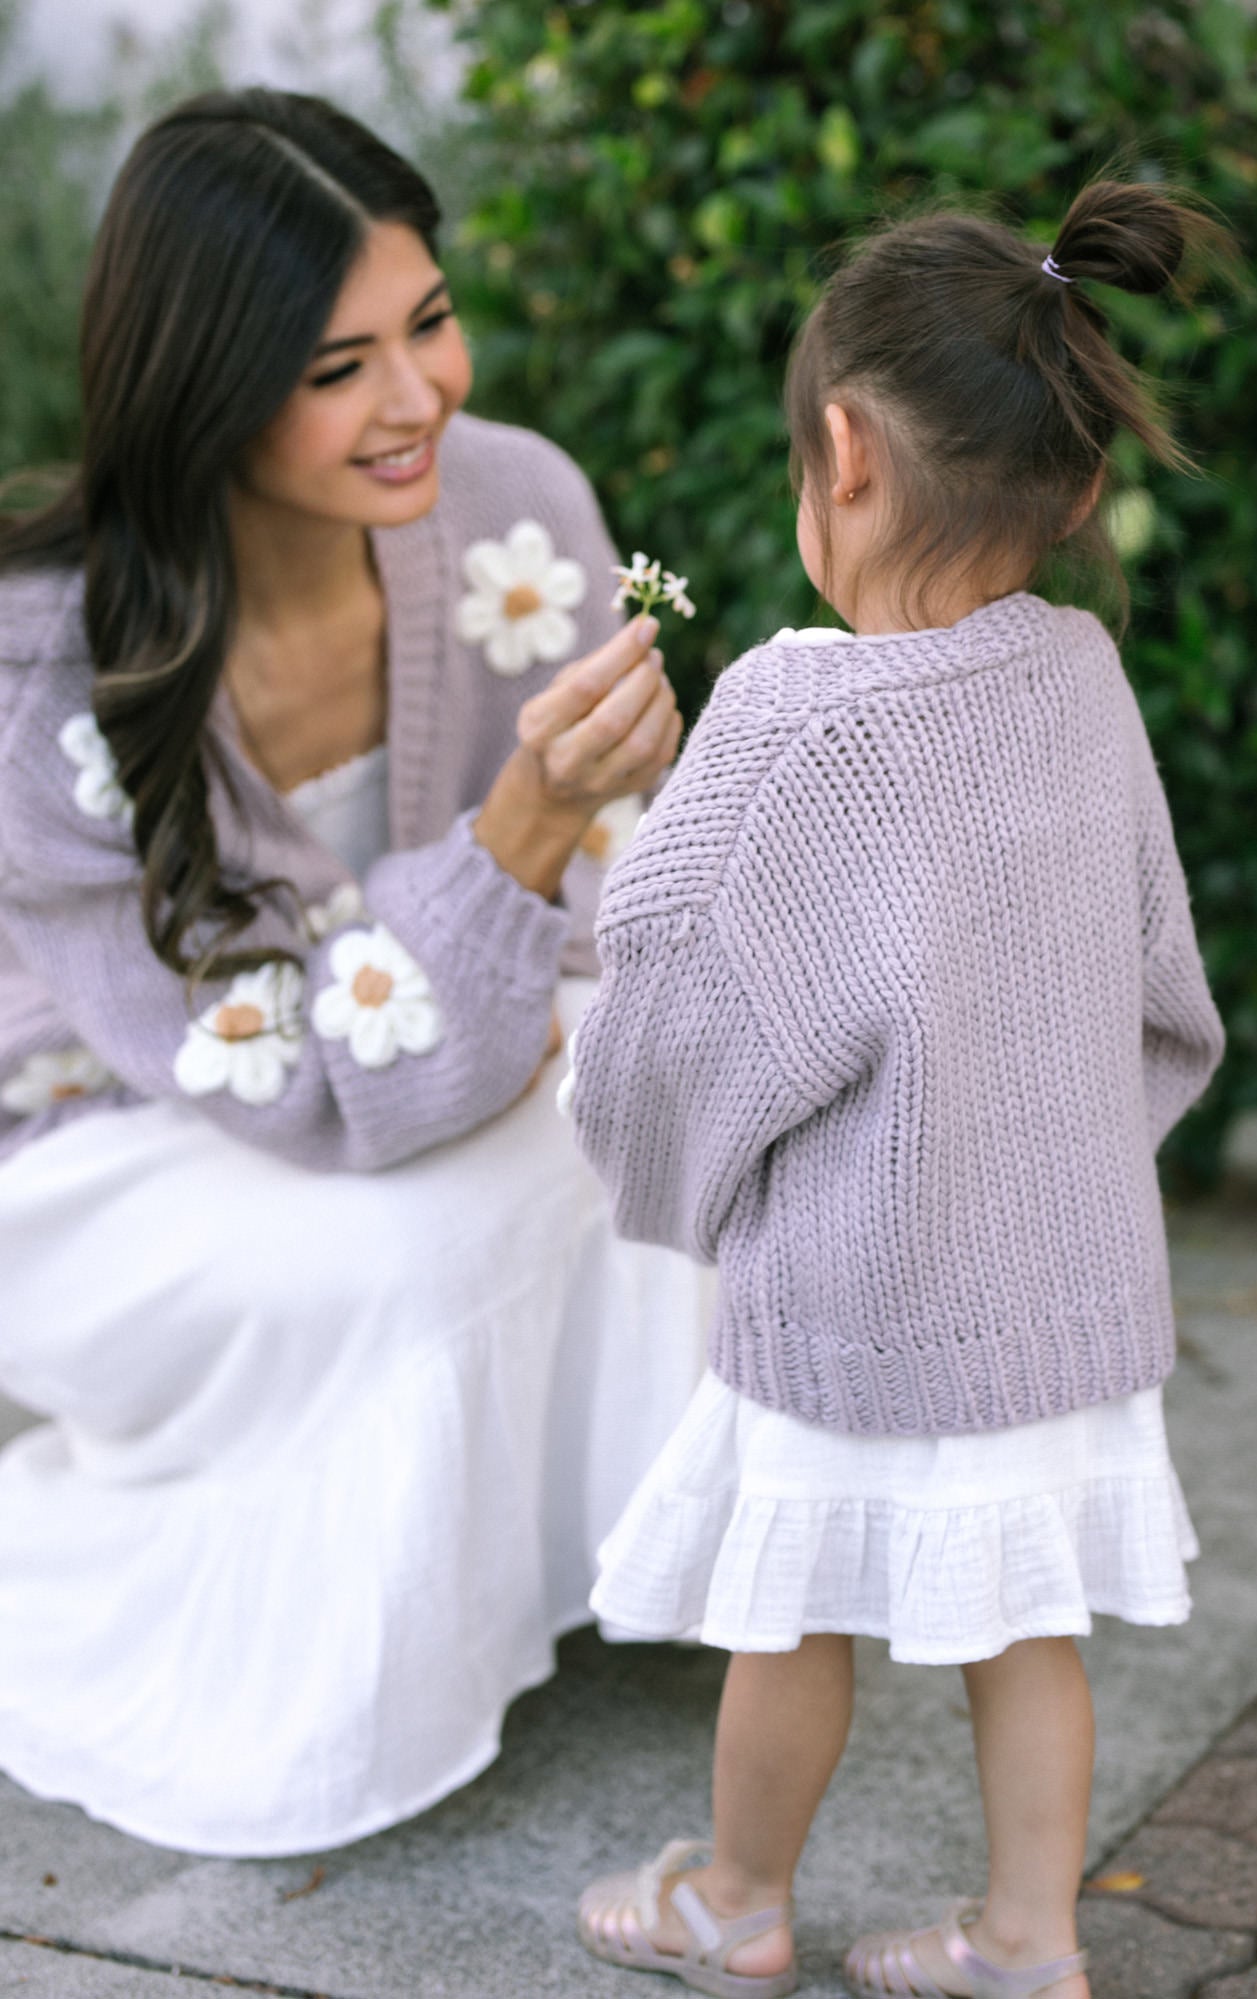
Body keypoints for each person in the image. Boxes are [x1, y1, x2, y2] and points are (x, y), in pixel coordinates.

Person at [0, 89, 706, 1857]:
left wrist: (567, 886)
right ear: (202, 383)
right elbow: (314, 1091)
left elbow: (625, 910)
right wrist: (524, 835)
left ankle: (583, 1553)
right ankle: (212, 1627)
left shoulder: (516, 504)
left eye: (431, 323)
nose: (418, 402)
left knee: (674, 1093)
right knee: (418, 1241)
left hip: (447, 1037)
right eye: (336, 369)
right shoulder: (50, 671)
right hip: (92, 1136)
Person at [566, 181, 1229, 1999]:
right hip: (1054, 1291)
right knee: (1026, 1627)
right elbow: (1159, 993)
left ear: (837, 455)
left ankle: (736, 1897)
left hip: (854, 1287)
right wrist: (1067, 1170)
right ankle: (1027, 1938)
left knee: (789, 1618)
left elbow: (676, 1010)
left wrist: (652, 1171)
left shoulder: (795, 720)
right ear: (1080, 485)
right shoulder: (1083, 681)